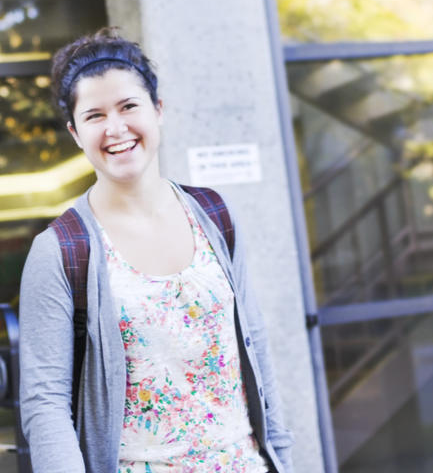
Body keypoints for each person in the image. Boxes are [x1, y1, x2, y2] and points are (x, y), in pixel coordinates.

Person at [17, 29, 294, 472]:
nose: (116, 128)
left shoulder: (214, 214)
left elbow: (254, 344)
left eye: (129, 106)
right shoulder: (60, 250)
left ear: (158, 110)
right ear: (75, 132)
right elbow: (44, 403)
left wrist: (283, 457)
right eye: (94, 116)